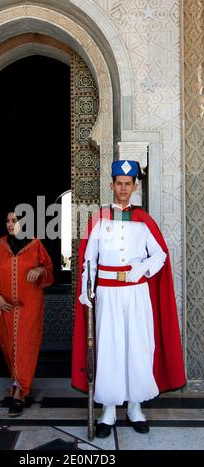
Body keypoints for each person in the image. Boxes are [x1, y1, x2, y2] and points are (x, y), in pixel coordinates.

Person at [72, 160, 186, 438]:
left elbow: (159, 255)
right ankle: (108, 412)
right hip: (107, 295)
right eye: (118, 184)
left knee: (138, 347)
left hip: (136, 294)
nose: (123, 189)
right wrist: (87, 290)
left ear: (134, 187)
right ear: (112, 185)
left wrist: (138, 270)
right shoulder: (98, 219)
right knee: (109, 349)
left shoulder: (144, 220)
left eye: (128, 184)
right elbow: (90, 259)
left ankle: (136, 408)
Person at [0, 211, 54, 416]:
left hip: (29, 308)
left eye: (14, 220)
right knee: (10, 347)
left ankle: (19, 392)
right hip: (5, 307)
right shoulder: (0, 246)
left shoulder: (35, 245)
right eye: (7, 220)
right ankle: (16, 383)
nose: (10, 224)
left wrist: (40, 271)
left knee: (24, 347)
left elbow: (49, 269)